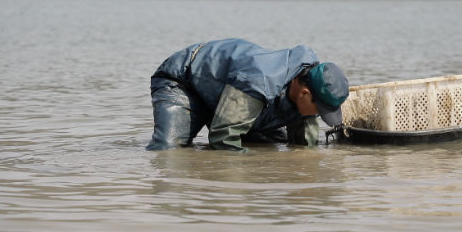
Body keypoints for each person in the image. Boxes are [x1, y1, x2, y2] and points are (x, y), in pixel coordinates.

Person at [146, 38, 349, 152]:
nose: (318, 116)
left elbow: (305, 148)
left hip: (233, 93)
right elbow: (223, 139)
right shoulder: (260, 81)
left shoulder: (311, 83)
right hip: (185, 79)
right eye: (319, 110)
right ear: (304, 93)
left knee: (270, 147)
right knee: (168, 151)